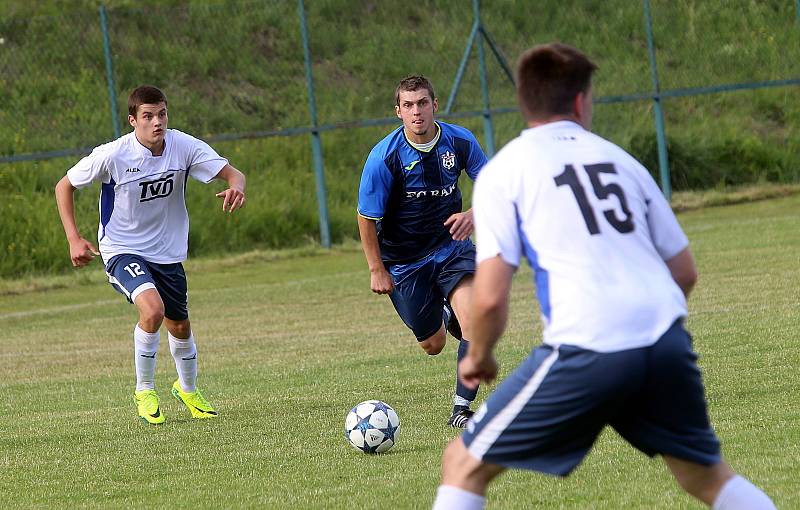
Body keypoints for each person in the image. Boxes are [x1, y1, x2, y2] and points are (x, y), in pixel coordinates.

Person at [432, 43, 775, 509]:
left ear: (525, 101)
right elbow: (685, 270)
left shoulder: (506, 171)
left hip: (588, 347)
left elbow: (490, 299)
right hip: (666, 343)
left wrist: (479, 358)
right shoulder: (622, 161)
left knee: (463, 465)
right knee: (707, 477)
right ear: (579, 101)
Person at [54, 85, 246, 425]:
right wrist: (74, 238)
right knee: (153, 310)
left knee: (181, 325)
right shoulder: (114, 155)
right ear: (133, 121)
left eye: (162, 114)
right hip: (122, 249)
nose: (157, 122)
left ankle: (187, 389)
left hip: (167, 253)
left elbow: (233, 173)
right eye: (148, 116)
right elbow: (64, 185)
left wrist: (236, 187)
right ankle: (144, 389)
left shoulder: (183, 146)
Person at [357, 75, 488, 428]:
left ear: (435, 105)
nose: (417, 112)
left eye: (423, 103)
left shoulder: (460, 141)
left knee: (476, 318)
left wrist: (474, 215)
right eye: (409, 105)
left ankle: (461, 410)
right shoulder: (383, 157)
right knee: (433, 345)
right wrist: (376, 269)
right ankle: (443, 313)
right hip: (403, 262)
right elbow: (367, 218)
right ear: (398, 111)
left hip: (451, 247)